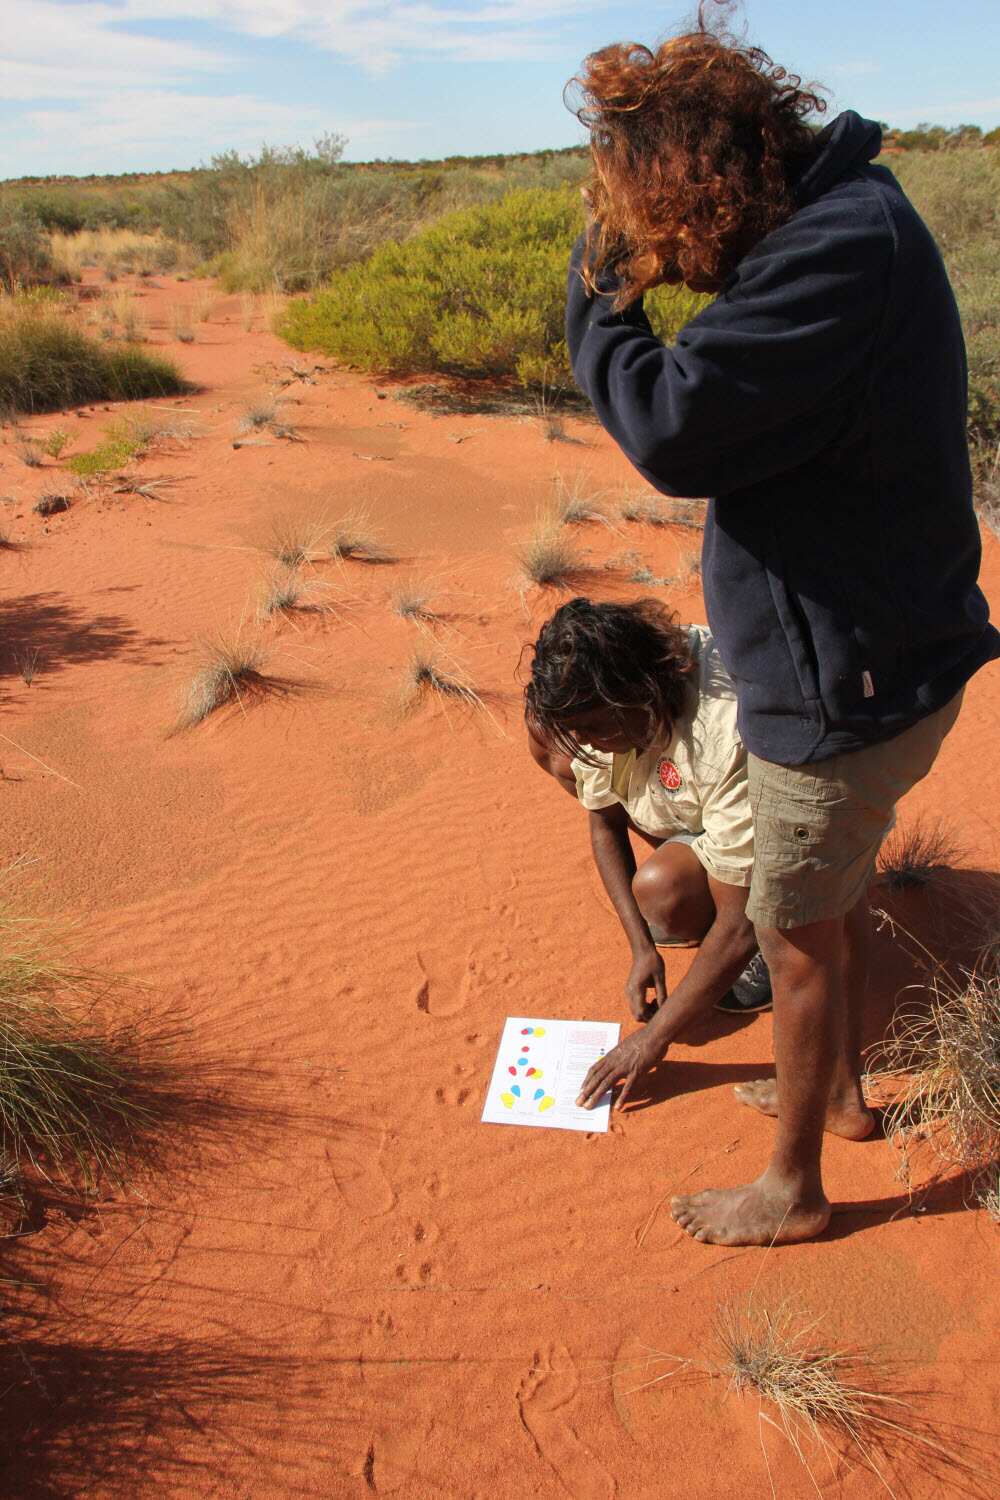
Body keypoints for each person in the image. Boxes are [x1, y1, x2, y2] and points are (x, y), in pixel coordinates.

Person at [563, 9, 999, 1245]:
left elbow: (668, 427)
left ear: (699, 175)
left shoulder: (837, 248)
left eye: (654, 219)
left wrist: (597, 281)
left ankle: (793, 1188)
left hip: (844, 678)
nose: (666, 256)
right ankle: (844, 1095)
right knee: (834, 891)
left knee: (797, 936)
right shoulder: (844, 220)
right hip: (857, 654)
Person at [525, 596, 772, 1109]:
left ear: (637, 694)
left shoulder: (727, 728)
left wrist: (653, 1037)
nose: (584, 744)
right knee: (661, 901)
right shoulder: (603, 720)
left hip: (780, 830)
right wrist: (641, 948)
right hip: (702, 807)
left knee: (688, 899)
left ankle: (768, 951)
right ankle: (703, 900)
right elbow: (605, 824)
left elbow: (742, 920)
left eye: (593, 728)